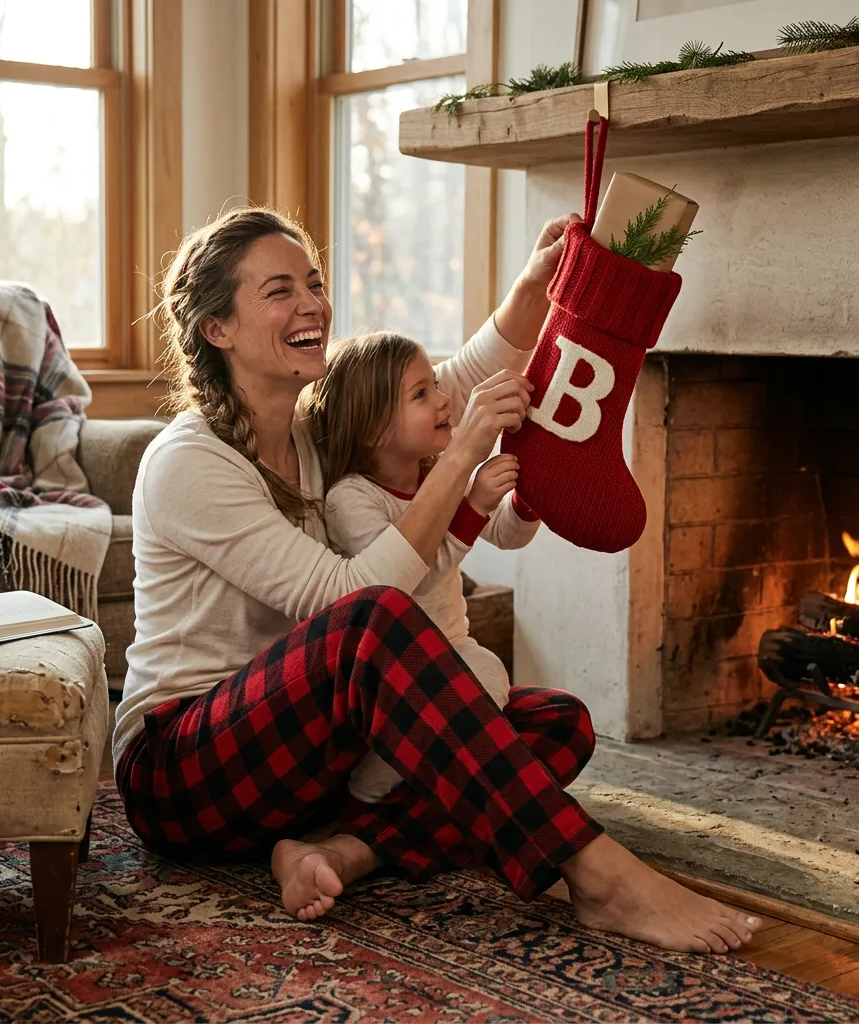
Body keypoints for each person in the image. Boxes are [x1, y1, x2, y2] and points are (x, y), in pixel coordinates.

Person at [113, 206, 759, 954]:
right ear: (217, 329)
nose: (311, 304)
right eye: (279, 290)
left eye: (314, 283)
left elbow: (439, 388)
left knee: (553, 725)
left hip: (307, 761)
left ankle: (339, 851)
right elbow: (343, 601)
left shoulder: (307, 431)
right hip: (186, 769)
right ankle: (596, 872)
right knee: (373, 621)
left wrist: (530, 294)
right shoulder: (188, 463)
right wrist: (460, 466)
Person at [306, 330, 540, 804]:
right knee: (487, 688)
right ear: (374, 429)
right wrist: (470, 505)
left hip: (452, 646)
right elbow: (405, 584)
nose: (443, 400)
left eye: (435, 384)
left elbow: (508, 535)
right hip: (396, 669)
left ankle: (426, 790)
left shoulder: (437, 474)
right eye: (421, 394)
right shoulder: (351, 499)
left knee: (494, 682)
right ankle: (365, 796)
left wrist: (532, 497)